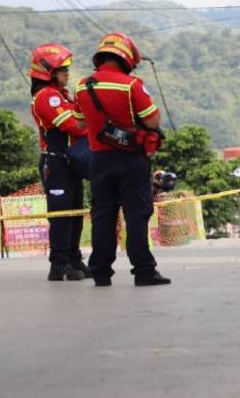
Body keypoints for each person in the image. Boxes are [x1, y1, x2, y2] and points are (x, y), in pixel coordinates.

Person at [72, 32, 171, 287]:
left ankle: (101, 272)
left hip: (99, 160)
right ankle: (144, 271)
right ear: (126, 59)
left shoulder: (83, 86)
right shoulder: (131, 85)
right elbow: (153, 121)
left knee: (103, 215)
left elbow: (80, 122)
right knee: (136, 214)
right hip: (131, 160)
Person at [29, 43, 90, 281]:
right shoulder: (45, 97)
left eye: (67, 68)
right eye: (62, 69)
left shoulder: (61, 94)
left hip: (70, 161)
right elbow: (73, 125)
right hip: (55, 163)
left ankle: (74, 259)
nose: (67, 73)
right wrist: (94, 126)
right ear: (48, 71)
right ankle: (59, 264)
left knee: (75, 214)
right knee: (61, 215)